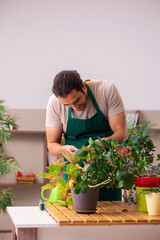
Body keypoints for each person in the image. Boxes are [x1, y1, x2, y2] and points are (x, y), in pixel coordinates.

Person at [46, 70, 128, 200]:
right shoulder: (54, 103)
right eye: (68, 105)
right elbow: (51, 145)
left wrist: (100, 144)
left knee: (111, 215)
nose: (75, 107)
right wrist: (64, 149)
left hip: (107, 171)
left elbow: (121, 134)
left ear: (83, 86)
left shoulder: (106, 90)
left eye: (77, 100)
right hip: (75, 175)